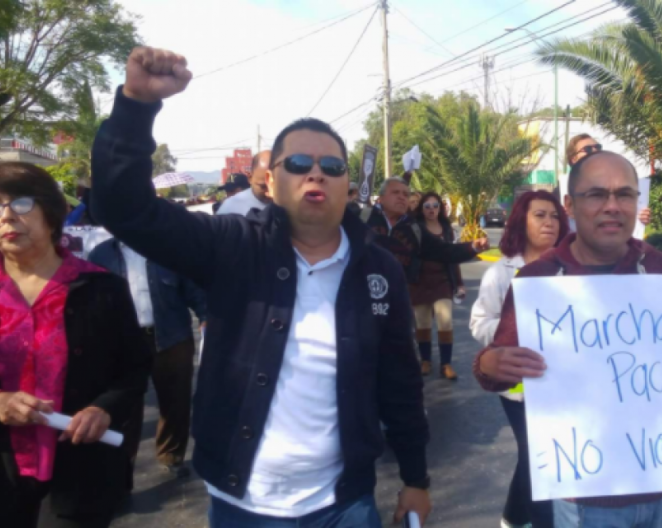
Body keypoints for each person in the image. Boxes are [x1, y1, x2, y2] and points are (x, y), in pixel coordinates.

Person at [90, 46, 430, 528]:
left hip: (346, 501)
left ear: (348, 184)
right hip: (242, 501)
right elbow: (124, 209)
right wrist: (136, 106)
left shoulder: (379, 269)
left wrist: (416, 479)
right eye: (298, 163)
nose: (316, 172)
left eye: (332, 166)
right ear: (270, 181)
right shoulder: (231, 245)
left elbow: (400, 381)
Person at [473, 150, 662, 528]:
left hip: (660, 481)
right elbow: (496, 369)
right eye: (597, 194)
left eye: (625, 194)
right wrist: (487, 363)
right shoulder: (538, 279)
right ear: (570, 205)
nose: (612, 206)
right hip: (587, 492)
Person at [0, 162, 152, 528]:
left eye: (20, 204)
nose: (5, 217)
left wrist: (104, 409)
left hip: (78, 469)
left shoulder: (103, 288)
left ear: (51, 214)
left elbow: (134, 368)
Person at [470, 190, 569, 528]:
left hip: (563, 385)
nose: (549, 222)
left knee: (540, 458)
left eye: (555, 216)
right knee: (536, 457)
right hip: (519, 388)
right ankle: (528, 520)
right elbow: (479, 321)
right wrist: (521, 332)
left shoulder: (571, 269)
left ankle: (517, 518)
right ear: (521, 221)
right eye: (539, 215)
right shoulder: (501, 273)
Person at [89, 237, 207, 479]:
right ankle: (123, 468)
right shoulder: (100, 255)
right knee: (126, 406)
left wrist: (206, 317)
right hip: (123, 342)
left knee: (175, 400)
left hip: (172, 336)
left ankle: (171, 455)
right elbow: (92, 299)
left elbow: (194, 288)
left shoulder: (168, 249)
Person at [365, 177, 487, 280]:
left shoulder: (413, 229)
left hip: (400, 299)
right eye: (395, 192)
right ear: (381, 198)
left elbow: (443, 250)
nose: (402, 197)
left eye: (405, 194)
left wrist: (472, 247)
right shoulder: (362, 218)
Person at [410, 192, 466, 380]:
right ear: (421, 209)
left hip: (442, 282)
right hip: (419, 282)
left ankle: (446, 364)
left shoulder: (446, 228)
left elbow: (454, 256)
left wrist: (459, 284)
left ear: (441, 208)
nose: (431, 209)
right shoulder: (415, 228)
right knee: (423, 323)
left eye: (435, 205)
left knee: (445, 320)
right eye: (427, 206)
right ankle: (425, 360)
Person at [564, 134, 651, 232]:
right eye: (587, 149)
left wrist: (639, 217)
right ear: (574, 159)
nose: (594, 151)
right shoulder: (560, 192)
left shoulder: (617, 181)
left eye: (598, 147)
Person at [217, 151, 272, 216]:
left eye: (275, 186)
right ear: (250, 178)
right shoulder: (230, 207)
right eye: (263, 187)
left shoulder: (285, 203)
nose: (270, 193)